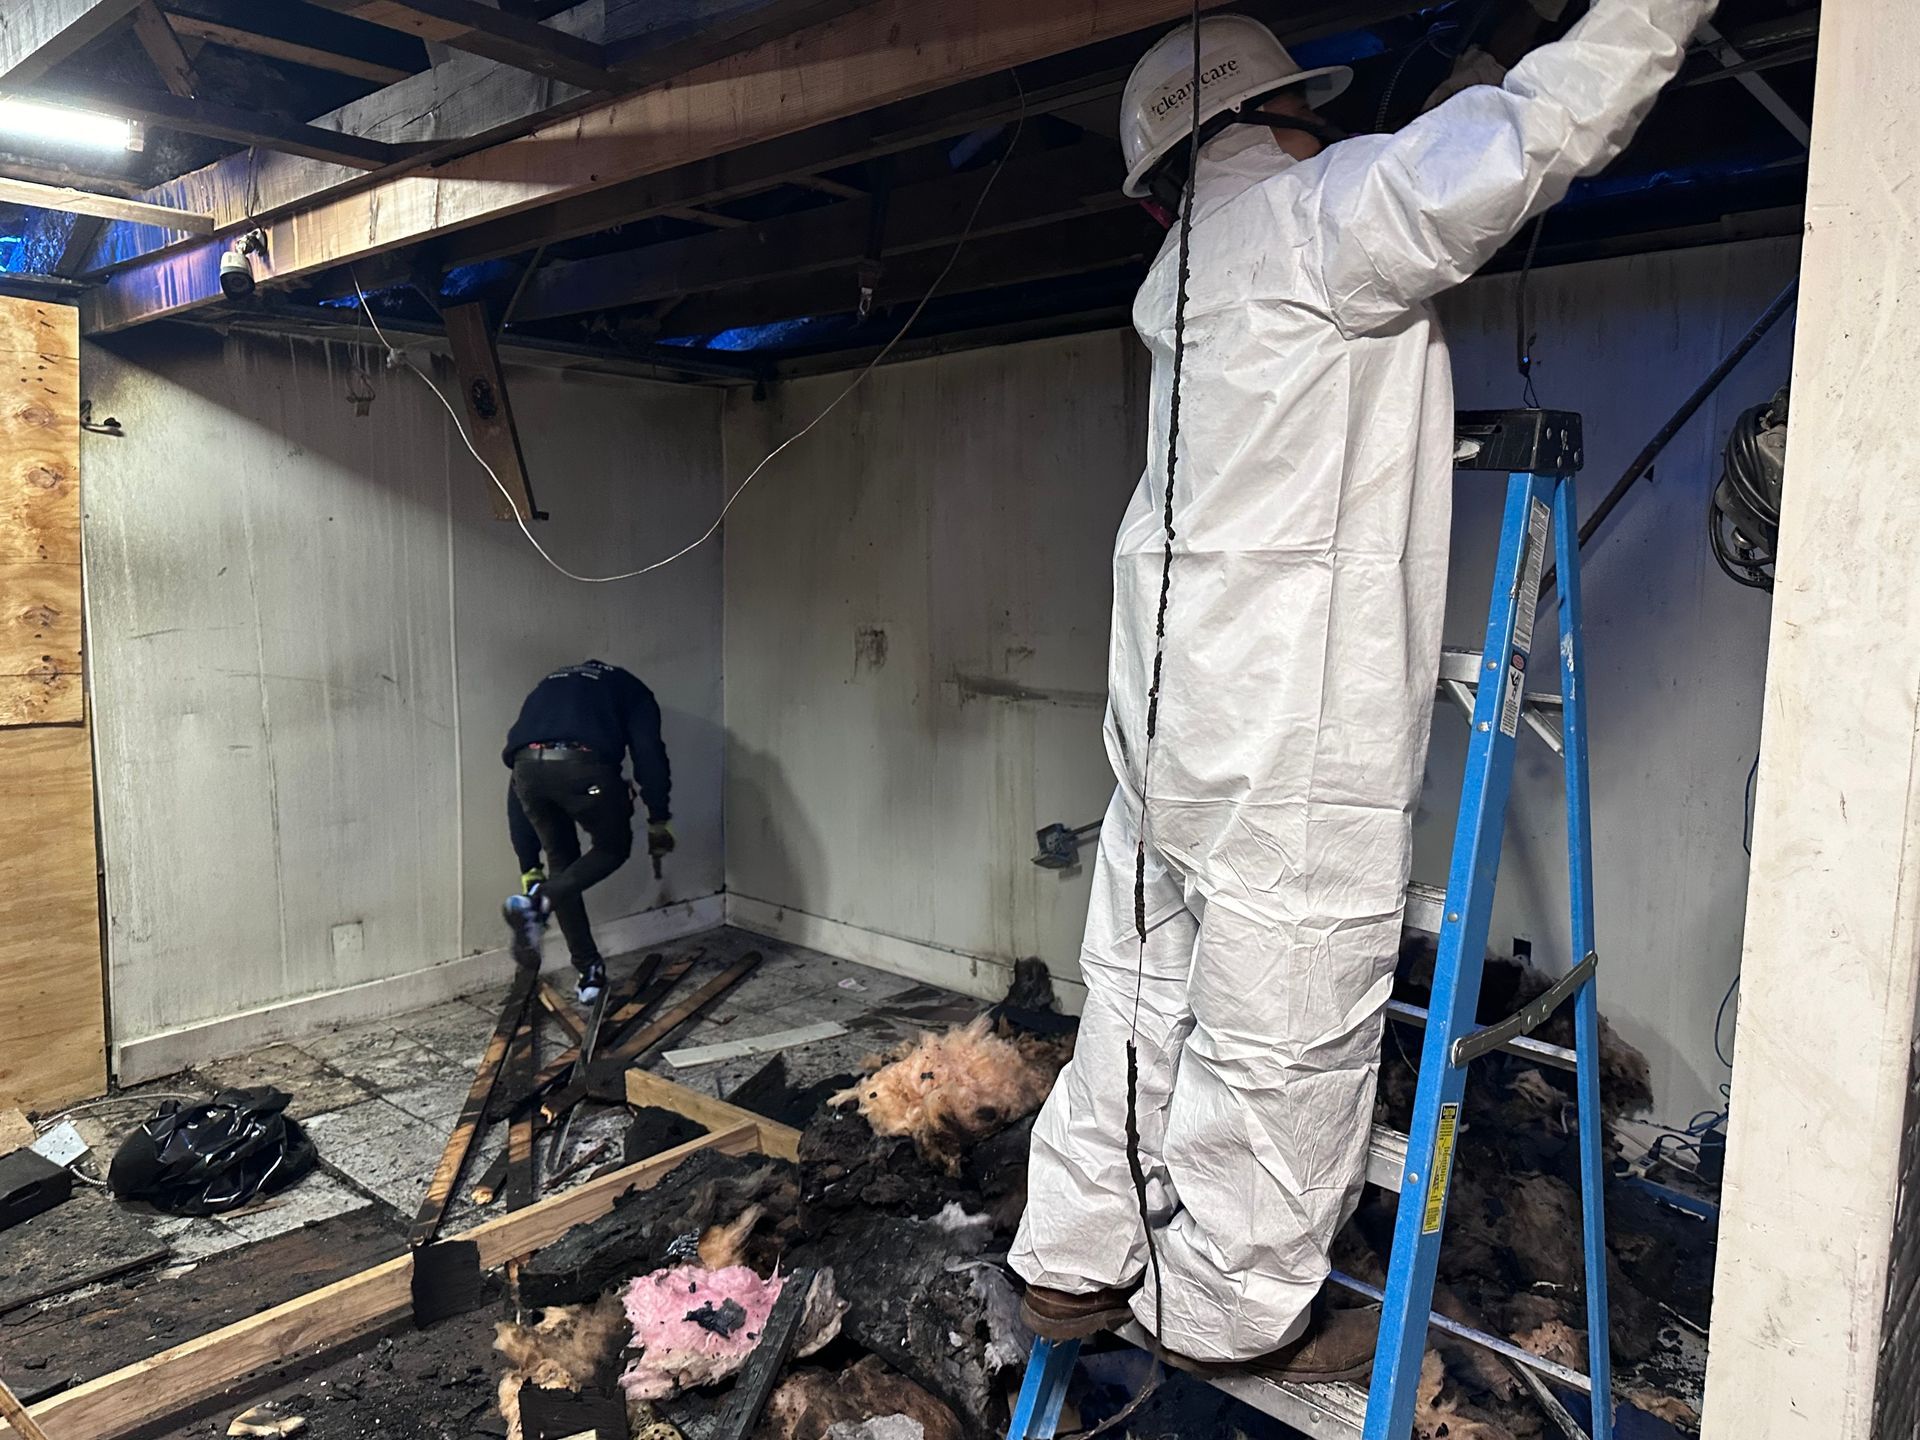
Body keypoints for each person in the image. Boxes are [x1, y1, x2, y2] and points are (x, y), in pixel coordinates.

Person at [1010, 0, 1714, 1377]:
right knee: (1285, 1026)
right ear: (1284, 120)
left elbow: (1402, 171)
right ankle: (1223, 1314)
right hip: (1289, 731)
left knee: (1138, 999)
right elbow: (1527, 135)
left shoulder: (1185, 285)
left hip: (1167, 730)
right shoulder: (1328, 222)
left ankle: (1072, 1260)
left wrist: (1436, 101)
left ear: (1165, 187)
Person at [501, 659, 674, 1001]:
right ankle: (542, 903)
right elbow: (649, 754)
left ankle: (589, 973)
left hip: (527, 773)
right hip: (584, 769)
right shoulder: (633, 690)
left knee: (562, 869)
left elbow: (517, 780)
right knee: (613, 848)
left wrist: (529, 868)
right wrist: (658, 818)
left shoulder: (548, 684)